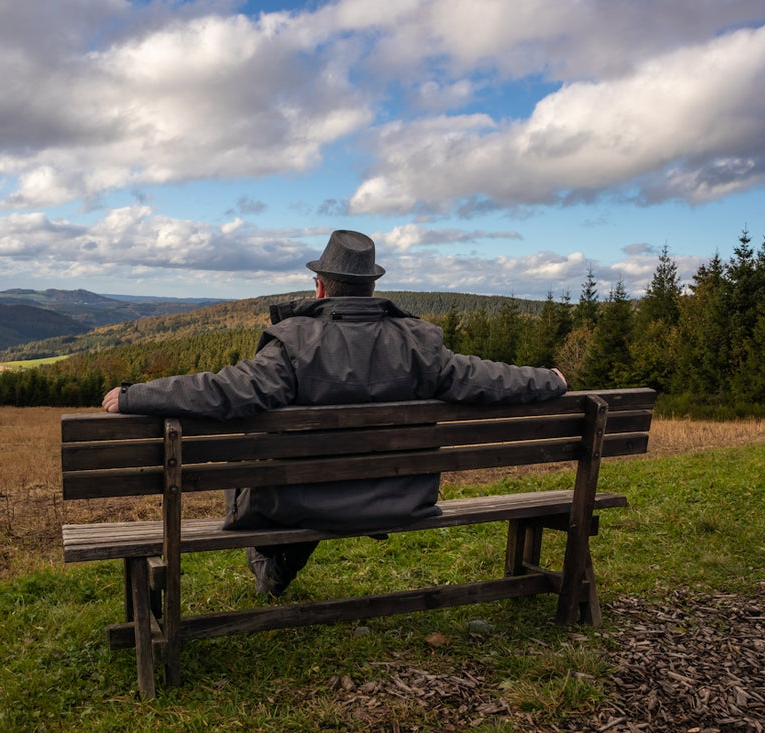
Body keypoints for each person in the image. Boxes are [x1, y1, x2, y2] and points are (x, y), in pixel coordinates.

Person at [102, 230, 567, 596]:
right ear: (371, 287)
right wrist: (552, 379)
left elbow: (225, 391)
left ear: (321, 287)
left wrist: (135, 395)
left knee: (253, 465)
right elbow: (488, 379)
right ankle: (279, 563)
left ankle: (273, 568)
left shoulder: (295, 341)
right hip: (399, 499)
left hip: (300, 502)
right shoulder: (421, 343)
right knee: (312, 475)